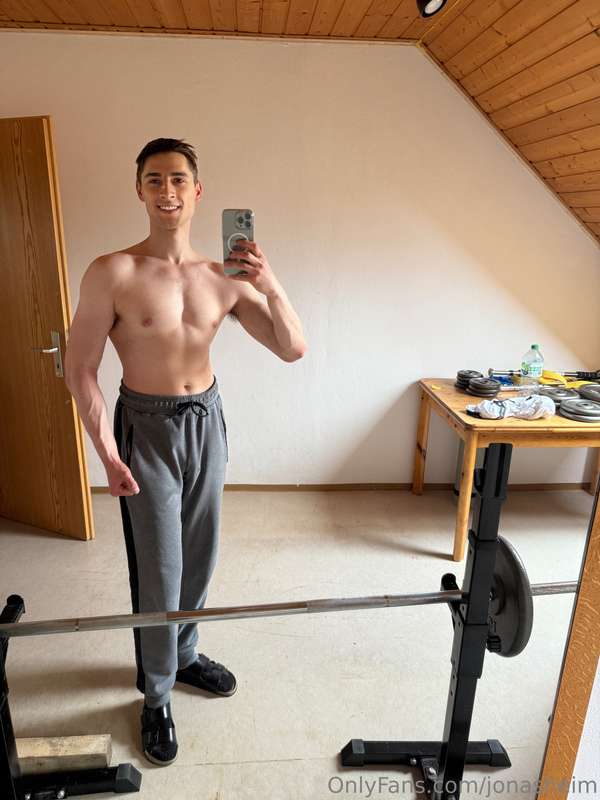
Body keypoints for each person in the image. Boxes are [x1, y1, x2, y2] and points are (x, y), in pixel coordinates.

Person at [64, 138, 307, 766]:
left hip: (207, 421)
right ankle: (156, 694)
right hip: (144, 428)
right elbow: (80, 367)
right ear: (139, 190)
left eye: (177, 179)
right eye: (154, 179)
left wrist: (270, 283)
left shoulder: (223, 277)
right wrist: (106, 452)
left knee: (200, 557)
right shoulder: (112, 271)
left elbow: (292, 347)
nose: (166, 190)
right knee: (160, 568)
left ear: (197, 191)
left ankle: (186, 653)